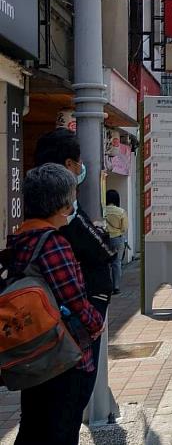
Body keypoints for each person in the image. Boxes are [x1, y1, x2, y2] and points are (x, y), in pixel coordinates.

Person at [7, 164, 105, 445]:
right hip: (61, 355)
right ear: (62, 203)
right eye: (72, 196)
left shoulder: (20, 239)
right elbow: (74, 299)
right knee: (60, 430)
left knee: (33, 428)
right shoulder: (53, 243)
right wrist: (95, 324)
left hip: (33, 352)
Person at [33, 128, 116, 413]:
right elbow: (101, 253)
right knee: (66, 410)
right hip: (68, 338)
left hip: (40, 341)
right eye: (79, 162)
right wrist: (94, 320)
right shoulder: (57, 236)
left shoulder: (26, 233)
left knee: (41, 416)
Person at [104, 189, 128, 294]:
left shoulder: (103, 210)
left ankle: (106, 285)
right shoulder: (121, 211)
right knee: (116, 263)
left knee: (105, 262)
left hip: (104, 239)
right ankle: (116, 286)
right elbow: (124, 228)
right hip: (117, 238)